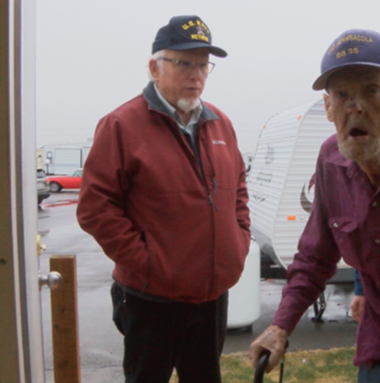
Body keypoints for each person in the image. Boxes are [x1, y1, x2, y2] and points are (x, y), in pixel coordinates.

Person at [76, 15, 251, 383]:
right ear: (155, 67)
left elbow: (238, 191)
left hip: (211, 297)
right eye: (185, 62)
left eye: (203, 65)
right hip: (150, 300)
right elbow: (96, 208)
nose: (196, 74)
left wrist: (239, 240)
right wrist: (150, 263)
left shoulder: (221, 123)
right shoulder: (121, 125)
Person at [250, 28, 380, 383]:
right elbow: (314, 256)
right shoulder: (330, 161)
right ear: (328, 108)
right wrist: (280, 326)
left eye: (372, 90)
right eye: (342, 95)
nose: (355, 107)